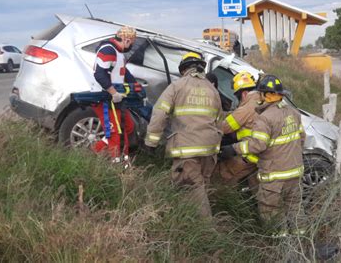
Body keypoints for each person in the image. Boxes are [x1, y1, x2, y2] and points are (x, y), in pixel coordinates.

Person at [220, 75, 305, 235]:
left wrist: (233, 149)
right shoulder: (293, 113)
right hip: (295, 173)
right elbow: (301, 139)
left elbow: (257, 145)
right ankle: (301, 245)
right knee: (295, 211)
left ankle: (279, 250)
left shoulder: (265, 118)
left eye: (259, 94)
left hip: (275, 177)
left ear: (265, 95)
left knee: (272, 213)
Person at [144, 52, 222, 219]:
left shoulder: (177, 86)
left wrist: (151, 142)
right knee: (201, 188)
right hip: (210, 150)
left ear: (183, 69)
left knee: (192, 191)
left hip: (187, 150)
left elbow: (160, 113)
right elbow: (218, 120)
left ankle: (206, 234)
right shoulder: (212, 89)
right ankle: (188, 220)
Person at [91, 26, 138, 164]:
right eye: (131, 42)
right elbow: (99, 74)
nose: (131, 45)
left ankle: (96, 151)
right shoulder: (108, 50)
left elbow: (124, 73)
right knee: (114, 133)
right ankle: (115, 164)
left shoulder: (119, 53)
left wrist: (136, 86)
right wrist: (113, 92)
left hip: (115, 98)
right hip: (105, 98)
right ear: (126, 39)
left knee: (128, 127)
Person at [218, 72, 260, 186]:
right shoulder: (260, 101)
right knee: (255, 186)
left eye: (237, 96)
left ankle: (219, 199)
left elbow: (225, 127)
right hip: (262, 155)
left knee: (223, 174)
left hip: (249, 154)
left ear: (244, 93)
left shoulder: (248, 106)